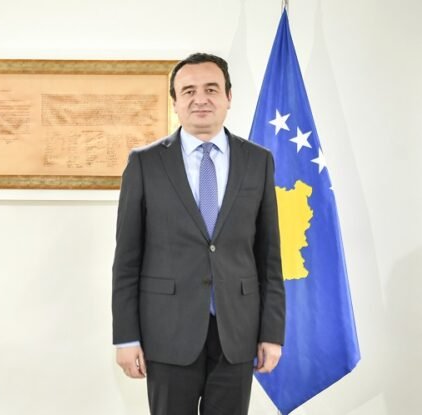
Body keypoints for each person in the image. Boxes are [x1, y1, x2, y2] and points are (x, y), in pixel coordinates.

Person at [112, 53, 286, 415]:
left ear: (228, 97)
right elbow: (127, 260)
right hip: (167, 333)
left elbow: (269, 257)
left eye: (211, 89)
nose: (200, 99)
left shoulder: (258, 161)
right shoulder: (145, 164)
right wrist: (126, 337)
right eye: (188, 91)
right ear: (175, 102)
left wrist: (272, 333)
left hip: (237, 334)